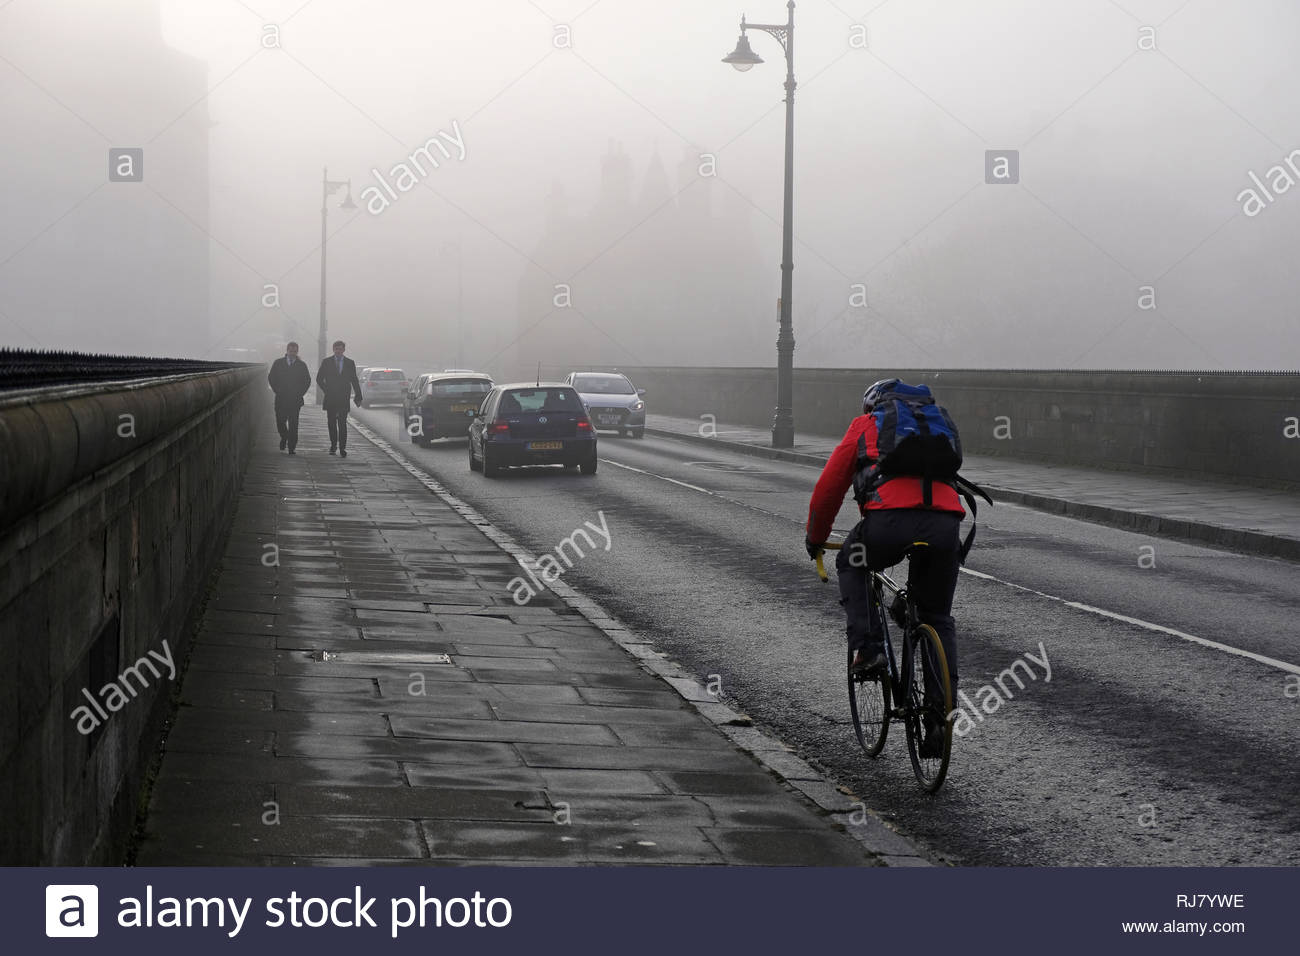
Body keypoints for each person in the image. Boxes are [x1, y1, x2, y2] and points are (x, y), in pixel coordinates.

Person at [804, 378, 966, 757]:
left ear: (872, 405)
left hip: (889, 523)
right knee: (937, 617)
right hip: (945, 525)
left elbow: (829, 488)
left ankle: (869, 646)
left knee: (851, 560)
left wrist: (816, 537)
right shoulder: (937, 422)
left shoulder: (866, 425)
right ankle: (940, 718)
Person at [315, 339, 363, 457]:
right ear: (333, 349)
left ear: (343, 350)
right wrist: (327, 390)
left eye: (340, 349)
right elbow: (319, 379)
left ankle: (342, 448)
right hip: (331, 397)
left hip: (343, 397)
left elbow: (354, 380)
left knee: (342, 423)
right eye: (336, 349)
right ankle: (333, 446)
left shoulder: (349, 363)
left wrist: (358, 394)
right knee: (331, 423)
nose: (338, 351)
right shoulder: (326, 362)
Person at [267, 341, 312, 454]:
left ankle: (292, 447)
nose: (293, 353)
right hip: (281, 398)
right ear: (287, 351)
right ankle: (284, 437)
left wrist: (300, 393)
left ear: (297, 352)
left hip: (295, 400)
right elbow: (271, 377)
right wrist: (277, 390)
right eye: (291, 351)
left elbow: (307, 381)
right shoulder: (278, 363)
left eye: (295, 351)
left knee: (293, 424)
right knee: (280, 421)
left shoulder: (302, 365)